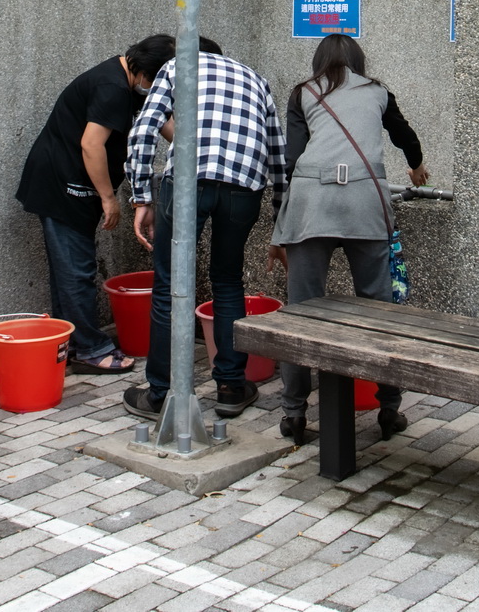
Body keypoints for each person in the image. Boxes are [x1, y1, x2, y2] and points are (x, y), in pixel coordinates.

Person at [268, 34, 429, 444]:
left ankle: (294, 413)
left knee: (301, 310)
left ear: (318, 60)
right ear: (358, 60)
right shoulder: (378, 91)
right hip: (364, 202)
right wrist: (416, 166)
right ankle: (389, 408)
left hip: (310, 205)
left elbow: (291, 160)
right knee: (379, 308)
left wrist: (278, 223)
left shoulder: (303, 93)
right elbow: (403, 133)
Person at [122, 38, 287, 420]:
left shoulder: (177, 67)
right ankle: (230, 387)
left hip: (187, 182)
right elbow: (279, 155)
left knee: (169, 286)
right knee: (228, 280)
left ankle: (161, 395)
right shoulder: (256, 79)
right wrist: (281, 221)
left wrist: (142, 197)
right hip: (244, 187)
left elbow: (145, 130)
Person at [13, 34, 177, 374]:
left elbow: (163, 122)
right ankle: (91, 349)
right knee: (76, 270)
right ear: (148, 73)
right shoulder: (112, 88)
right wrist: (108, 198)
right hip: (62, 186)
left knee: (68, 271)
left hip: (65, 183)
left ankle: (71, 343)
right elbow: (91, 145)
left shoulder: (129, 84)